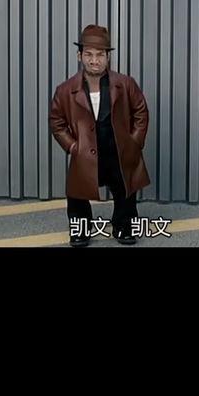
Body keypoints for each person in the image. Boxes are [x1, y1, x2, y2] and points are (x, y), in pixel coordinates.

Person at [49, 25, 150, 246]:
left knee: (125, 191)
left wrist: (134, 142)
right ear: (79, 55)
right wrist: (72, 147)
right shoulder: (65, 90)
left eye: (100, 55)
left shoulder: (125, 84)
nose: (94, 60)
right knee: (77, 195)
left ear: (108, 57)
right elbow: (56, 121)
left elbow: (141, 112)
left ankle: (124, 227)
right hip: (84, 152)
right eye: (89, 54)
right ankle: (80, 230)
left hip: (119, 150)